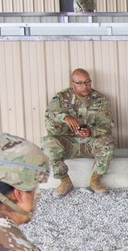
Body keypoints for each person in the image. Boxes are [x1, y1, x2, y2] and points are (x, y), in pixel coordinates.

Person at [41, 69, 115, 197]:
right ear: (72, 84)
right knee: (48, 143)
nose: (85, 86)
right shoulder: (61, 99)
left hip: (90, 143)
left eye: (87, 82)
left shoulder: (100, 100)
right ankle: (64, 181)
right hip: (68, 143)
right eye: (80, 83)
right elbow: (49, 121)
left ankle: (95, 180)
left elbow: (108, 125)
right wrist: (64, 117)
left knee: (108, 142)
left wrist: (91, 131)